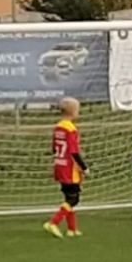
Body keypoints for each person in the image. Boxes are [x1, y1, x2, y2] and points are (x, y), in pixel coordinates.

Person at [45, 97, 88, 239]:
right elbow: (74, 152)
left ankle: (71, 229)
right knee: (73, 199)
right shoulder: (71, 129)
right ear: (73, 112)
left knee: (68, 198)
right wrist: (84, 167)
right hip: (70, 169)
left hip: (59, 165)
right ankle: (53, 222)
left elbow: (53, 148)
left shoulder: (58, 127)